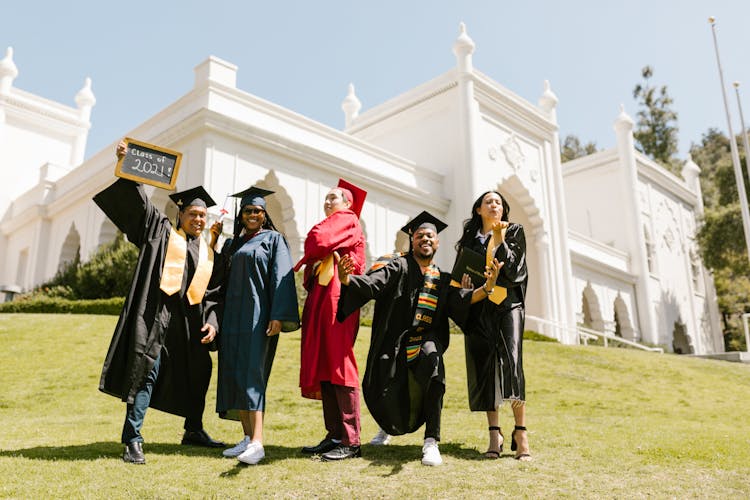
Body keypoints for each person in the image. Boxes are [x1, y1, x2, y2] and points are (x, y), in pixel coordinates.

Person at [95, 140, 225, 465]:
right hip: (156, 315)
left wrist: (212, 321)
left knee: (201, 367)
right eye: (193, 214)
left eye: (203, 216)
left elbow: (213, 294)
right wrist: (129, 170)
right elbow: (138, 206)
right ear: (180, 213)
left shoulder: (207, 252)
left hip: (188, 322)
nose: (198, 220)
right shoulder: (161, 231)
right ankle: (133, 439)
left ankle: (193, 429)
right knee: (145, 371)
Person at [336, 211, 500, 466]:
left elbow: (459, 302)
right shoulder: (396, 266)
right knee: (385, 386)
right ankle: (387, 428)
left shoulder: (442, 279)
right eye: (420, 235)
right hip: (393, 340)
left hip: (425, 340)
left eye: (430, 236)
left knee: (435, 370)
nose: (425, 239)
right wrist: (347, 279)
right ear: (412, 241)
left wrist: (486, 288)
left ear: (437, 243)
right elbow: (372, 284)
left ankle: (431, 441)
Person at [211, 186, 300, 465]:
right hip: (232, 319)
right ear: (241, 215)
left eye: (258, 211)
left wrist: (278, 314)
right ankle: (247, 438)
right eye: (248, 211)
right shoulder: (232, 245)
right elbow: (217, 279)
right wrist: (214, 243)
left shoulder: (274, 239)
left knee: (252, 375)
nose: (253, 215)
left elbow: (281, 276)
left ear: (264, 215)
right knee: (235, 374)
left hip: (258, 318)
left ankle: (258, 442)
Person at [454, 190, 532, 461]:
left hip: (509, 306)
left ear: (503, 209)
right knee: (487, 366)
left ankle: (520, 432)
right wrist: (465, 287)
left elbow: (515, 272)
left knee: (512, 361)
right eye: (488, 201)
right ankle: (494, 433)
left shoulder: (514, 232)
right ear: (478, 210)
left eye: (498, 202)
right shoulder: (470, 242)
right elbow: (461, 278)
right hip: (482, 307)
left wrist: (499, 240)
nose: (493, 205)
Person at [293, 180, 367, 461]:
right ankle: (335, 434)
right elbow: (315, 257)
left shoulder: (348, 220)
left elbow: (317, 242)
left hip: (338, 298)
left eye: (333, 197)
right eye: (326, 198)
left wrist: (315, 252)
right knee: (325, 364)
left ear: (348, 204)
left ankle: (351, 440)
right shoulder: (336, 223)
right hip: (323, 299)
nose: (328, 202)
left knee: (339, 363)